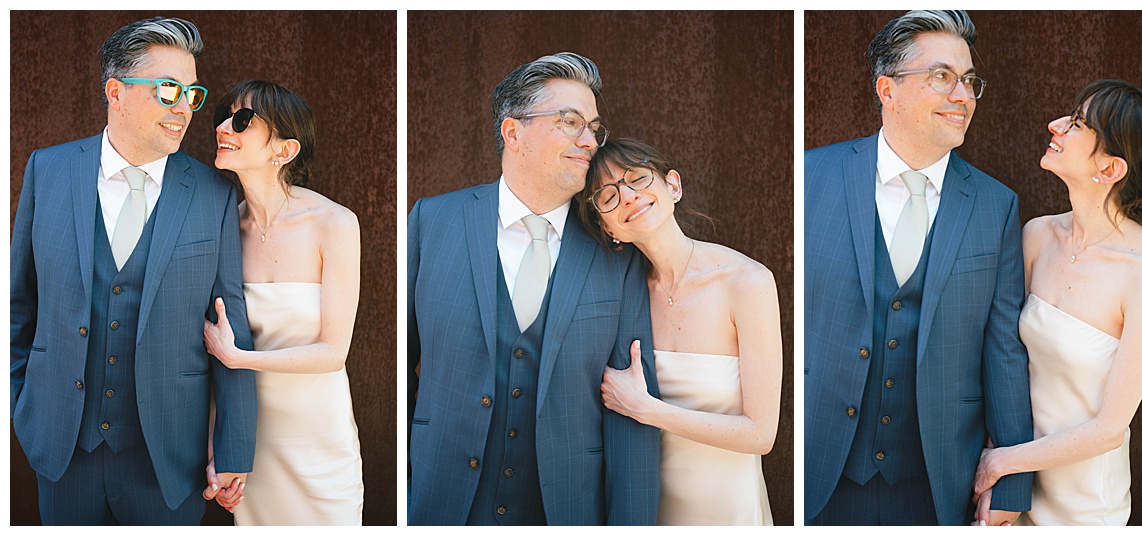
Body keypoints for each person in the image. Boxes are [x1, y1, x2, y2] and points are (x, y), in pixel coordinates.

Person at [9, 17, 256, 525]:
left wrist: (233, 449)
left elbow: (232, 321)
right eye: (168, 89)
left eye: (191, 91)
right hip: (61, 448)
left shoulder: (214, 193)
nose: (185, 107)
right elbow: (18, 304)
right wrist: (24, 408)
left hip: (168, 458)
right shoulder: (48, 170)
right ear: (116, 92)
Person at [407, 52, 659, 525]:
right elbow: (398, 365)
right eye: (570, 122)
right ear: (512, 132)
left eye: (594, 127)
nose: (589, 141)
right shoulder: (431, 221)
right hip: (440, 503)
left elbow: (632, 411)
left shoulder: (616, 252)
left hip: (566, 509)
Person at [804, 10, 1034, 525]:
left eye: (970, 81)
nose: (963, 95)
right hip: (819, 476)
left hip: (937, 486)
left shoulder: (995, 206)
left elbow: (1003, 351)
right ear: (888, 89)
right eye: (942, 77)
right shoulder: (810, 177)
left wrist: (1013, 485)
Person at [970, 80, 1142, 526]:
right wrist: (1005, 476)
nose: (1056, 125)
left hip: (1082, 507)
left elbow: (1108, 428)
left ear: (1109, 168)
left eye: (1078, 123)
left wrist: (1001, 463)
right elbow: (1002, 357)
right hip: (1013, 485)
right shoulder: (1037, 236)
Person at [581, 139, 782, 525]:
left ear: (673, 185)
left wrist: (646, 408)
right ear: (608, 229)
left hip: (729, 510)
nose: (627, 195)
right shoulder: (622, 299)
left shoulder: (747, 281)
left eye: (637, 177)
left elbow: (761, 434)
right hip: (647, 511)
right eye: (607, 195)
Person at [200, 79, 364, 525]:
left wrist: (239, 357)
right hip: (252, 447)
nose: (223, 128)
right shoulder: (221, 231)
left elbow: (334, 352)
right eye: (223, 116)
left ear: (285, 150)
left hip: (320, 446)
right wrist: (220, 452)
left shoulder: (334, 223)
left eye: (243, 120)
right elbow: (213, 350)